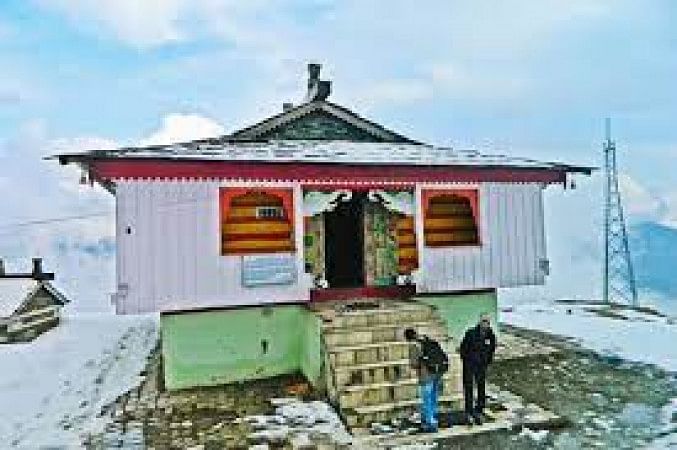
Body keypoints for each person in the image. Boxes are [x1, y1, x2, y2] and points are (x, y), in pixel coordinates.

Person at [404, 327, 448, 432]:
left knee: (427, 399)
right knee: (433, 397)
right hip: (436, 372)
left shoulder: (414, 346)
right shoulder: (427, 341)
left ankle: (430, 422)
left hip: (426, 375)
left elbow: (414, 364)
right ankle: (433, 416)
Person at [459, 313, 496, 425]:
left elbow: (492, 349)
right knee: (469, 387)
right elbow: (463, 348)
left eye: (487, 322)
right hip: (469, 364)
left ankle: (480, 409)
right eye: (484, 321)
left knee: (481, 387)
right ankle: (469, 411)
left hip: (481, 365)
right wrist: (466, 360)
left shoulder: (491, 335)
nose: (486, 324)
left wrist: (487, 361)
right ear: (479, 322)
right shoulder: (471, 333)